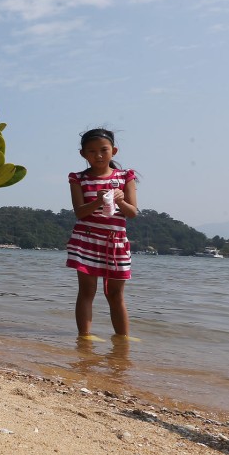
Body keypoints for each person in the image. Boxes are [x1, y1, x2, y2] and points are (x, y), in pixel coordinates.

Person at [65, 128, 138, 339]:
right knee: (87, 292)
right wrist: (98, 201)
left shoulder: (125, 177)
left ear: (114, 151)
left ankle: (123, 341)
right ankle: (85, 337)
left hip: (115, 243)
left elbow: (132, 213)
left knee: (115, 295)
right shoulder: (78, 179)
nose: (98, 155)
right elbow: (79, 213)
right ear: (83, 154)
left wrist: (120, 200)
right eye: (92, 151)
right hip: (86, 240)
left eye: (103, 150)